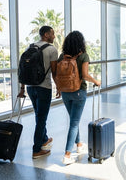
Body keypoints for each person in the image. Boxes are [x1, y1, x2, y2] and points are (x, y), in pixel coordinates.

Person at [57, 30, 101, 165]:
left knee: (73, 120)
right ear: (81, 42)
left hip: (65, 92)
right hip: (78, 92)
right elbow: (86, 75)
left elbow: (57, 74)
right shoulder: (83, 56)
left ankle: (79, 144)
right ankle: (67, 154)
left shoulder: (62, 57)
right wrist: (96, 81)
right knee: (74, 123)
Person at [18, 26, 58, 159]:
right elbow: (54, 72)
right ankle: (36, 150)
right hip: (44, 88)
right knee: (41, 118)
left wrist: (22, 88)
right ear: (46, 35)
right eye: (52, 34)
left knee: (39, 115)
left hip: (30, 87)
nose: (54, 36)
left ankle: (44, 139)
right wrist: (58, 87)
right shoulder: (52, 50)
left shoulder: (29, 48)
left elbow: (23, 70)